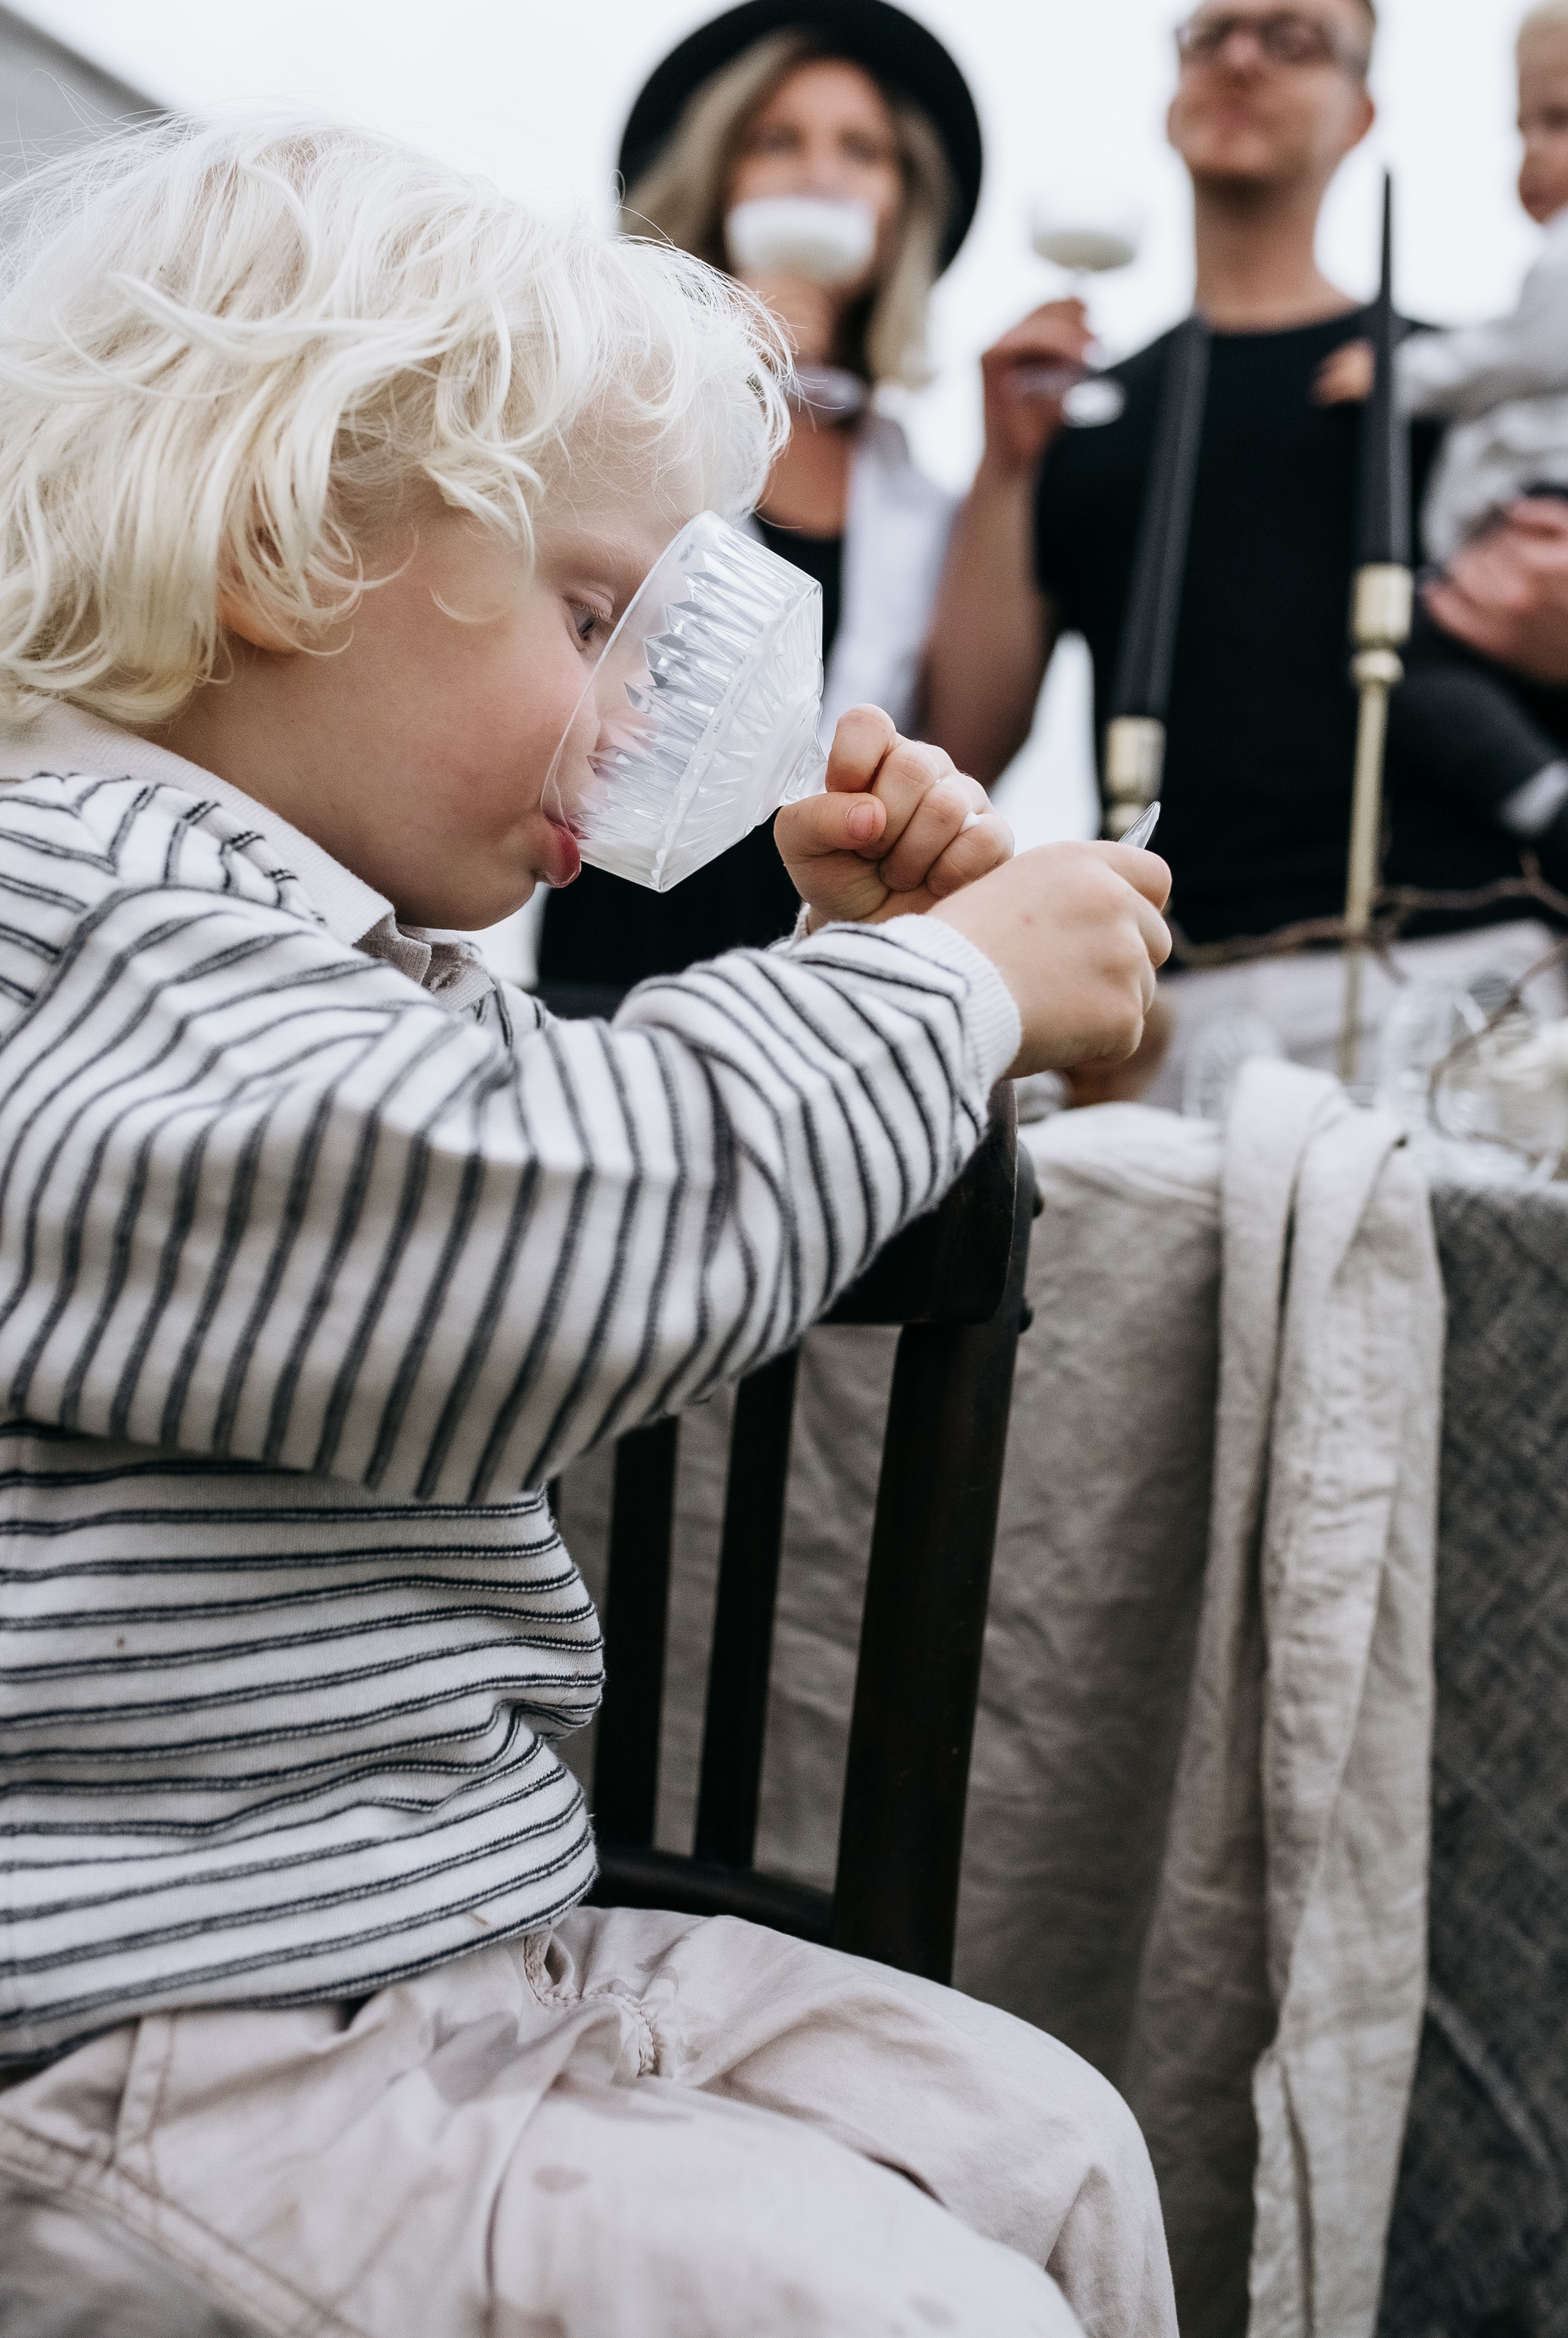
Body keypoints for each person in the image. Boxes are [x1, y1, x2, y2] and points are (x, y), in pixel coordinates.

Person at [0, 116, 1176, 2336]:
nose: (649, 708)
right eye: (594, 611)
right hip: (150, 2045)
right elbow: (520, 1218)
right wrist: (942, 991)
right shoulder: (67, 920)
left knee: (1053, 2158)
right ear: (285, 546)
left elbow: (518, 1124)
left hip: (421, 1960)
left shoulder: (308, 956)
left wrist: (861, 974)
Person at [925, 0, 1568, 1078]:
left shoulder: (1455, 383)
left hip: (1456, 971)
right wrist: (1004, 470)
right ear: (1172, 92)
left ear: (1360, 113)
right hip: (1173, 990)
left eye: (1293, 39)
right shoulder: (1088, 415)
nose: (1243, 58)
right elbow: (968, 734)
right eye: (1212, 34)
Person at [538, 0, 980, 1006]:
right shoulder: (616, 391)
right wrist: (716, 368)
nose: (822, 174)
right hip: (612, 936)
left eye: (861, 151)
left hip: (818, 964)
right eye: (780, 141)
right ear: (723, 175)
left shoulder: (923, 501)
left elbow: (964, 738)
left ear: (900, 205)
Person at [1318, 0, 1568, 919]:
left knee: (1410, 657)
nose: (1529, 152)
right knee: (1556, 703)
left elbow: (1530, 351)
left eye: (1560, 120)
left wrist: (1399, 376)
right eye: (1521, 126)